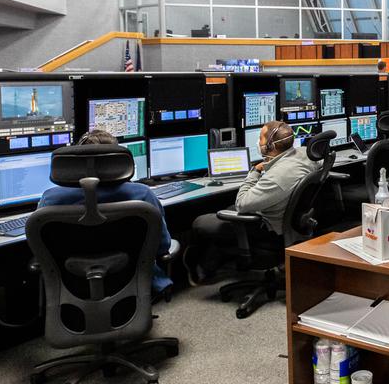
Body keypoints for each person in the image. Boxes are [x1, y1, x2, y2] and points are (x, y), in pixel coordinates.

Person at [38, 129, 174, 296]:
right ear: (118, 162)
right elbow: (162, 244)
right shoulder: (142, 194)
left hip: (70, 285)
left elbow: (40, 248)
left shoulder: (51, 199)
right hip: (131, 280)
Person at [185, 121, 316, 284]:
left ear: (270, 145)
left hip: (268, 229)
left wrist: (254, 172)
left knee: (201, 222)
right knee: (227, 209)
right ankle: (214, 263)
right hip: (288, 222)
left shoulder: (278, 178)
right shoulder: (305, 155)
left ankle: (200, 269)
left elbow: (242, 203)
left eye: (260, 138)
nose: (258, 142)